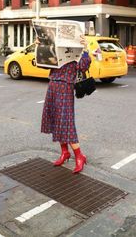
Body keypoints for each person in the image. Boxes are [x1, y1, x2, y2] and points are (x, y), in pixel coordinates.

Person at [40, 34, 91, 174]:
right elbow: (43, 65)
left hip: (66, 87)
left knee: (66, 123)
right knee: (57, 121)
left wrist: (85, 48)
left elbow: (83, 67)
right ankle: (65, 152)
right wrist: (40, 46)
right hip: (53, 86)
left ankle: (79, 156)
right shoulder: (55, 49)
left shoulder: (77, 50)